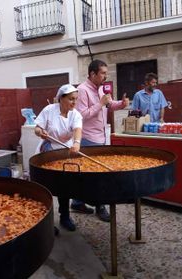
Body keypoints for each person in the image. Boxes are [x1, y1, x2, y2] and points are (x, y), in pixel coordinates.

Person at [71, 59, 129, 222]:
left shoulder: (101, 88)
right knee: (97, 177)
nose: (105, 76)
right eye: (103, 73)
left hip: (101, 136)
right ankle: (100, 207)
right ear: (92, 74)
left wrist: (122, 104)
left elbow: (109, 105)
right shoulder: (82, 90)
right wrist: (99, 103)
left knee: (87, 175)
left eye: (105, 73)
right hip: (89, 138)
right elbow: (80, 115)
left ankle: (77, 202)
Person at [34, 84, 83, 231]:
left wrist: (76, 143)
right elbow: (37, 128)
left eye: (76, 99)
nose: (74, 102)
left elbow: (77, 130)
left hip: (64, 151)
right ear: (61, 98)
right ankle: (45, 222)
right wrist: (40, 132)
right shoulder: (49, 110)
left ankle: (65, 217)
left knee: (63, 186)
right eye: (71, 99)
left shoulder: (75, 114)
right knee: (44, 187)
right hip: (47, 150)